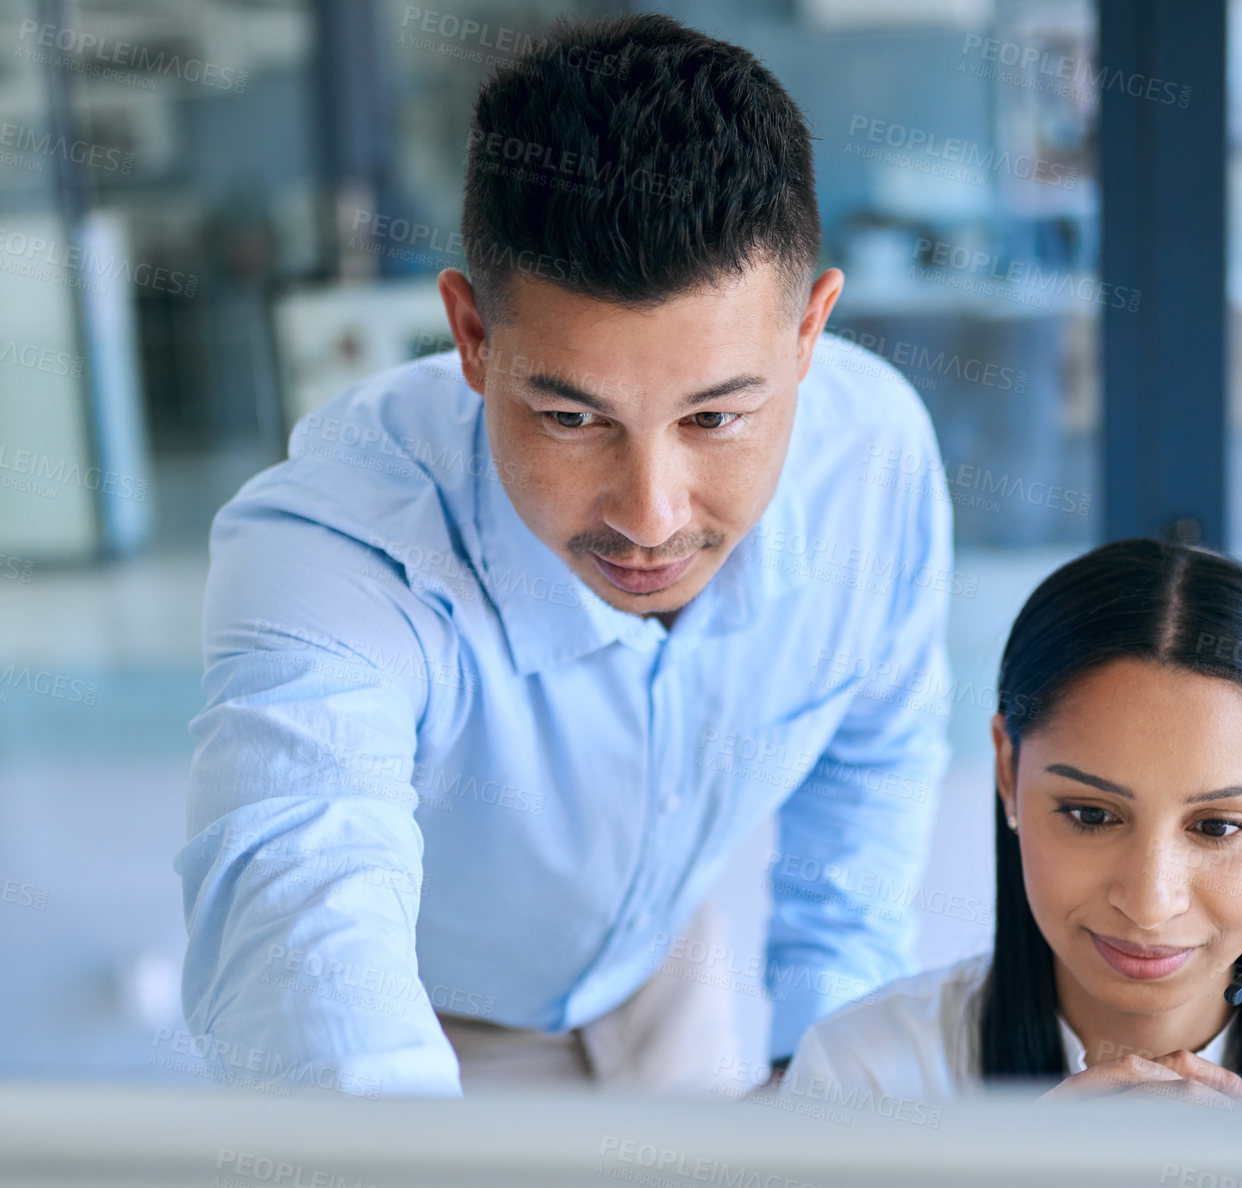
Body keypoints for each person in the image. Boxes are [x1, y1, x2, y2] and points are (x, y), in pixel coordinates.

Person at [174, 14, 952, 1098]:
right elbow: (301, 891)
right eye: (571, 419)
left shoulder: (874, 456)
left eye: (717, 419)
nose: (649, 515)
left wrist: (816, 1067)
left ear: (811, 331)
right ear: (473, 337)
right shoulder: (334, 546)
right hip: (437, 1028)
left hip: (669, 979)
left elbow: (872, 761)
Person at [782, 539, 1242, 1108]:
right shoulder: (864, 1076)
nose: (1150, 900)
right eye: (1090, 815)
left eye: (1217, 827)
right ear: (1008, 771)